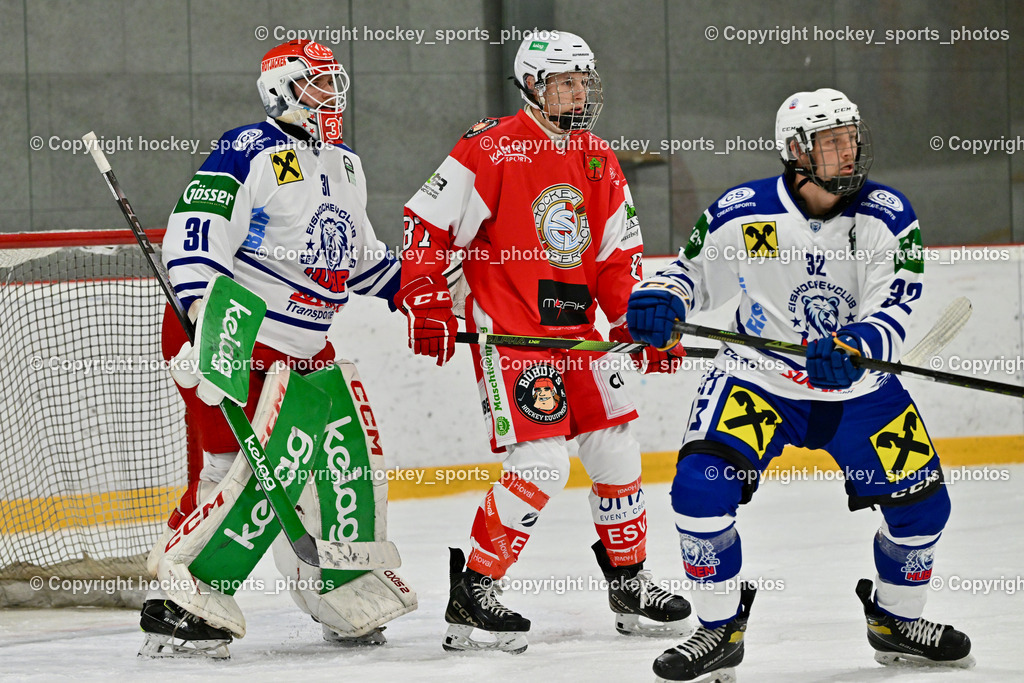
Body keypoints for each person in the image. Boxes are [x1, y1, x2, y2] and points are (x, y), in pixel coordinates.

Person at [627, 88, 973, 681]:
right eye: (832, 141)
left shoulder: (889, 214)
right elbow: (691, 273)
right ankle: (719, 628)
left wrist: (859, 347)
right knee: (700, 492)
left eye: (851, 137)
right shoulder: (743, 210)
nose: (849, 151)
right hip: (756, 383)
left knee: (924, 510)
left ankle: (896, 620)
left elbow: (894, 302)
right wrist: (663, 297)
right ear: (796, 152)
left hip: (858, 393)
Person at [398, 30, 691, 654]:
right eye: (566, 81)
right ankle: (475, 589)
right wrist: (423, 296)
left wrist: (637, 321)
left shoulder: (597, 156)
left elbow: (616, 256)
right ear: (532, 85)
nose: (579, 92)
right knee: (542, 463)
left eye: (585, 80)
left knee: (617, 450)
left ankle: (630, 582)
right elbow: (425, 224)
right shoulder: (489, 147)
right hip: (513, 336)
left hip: (582, 337)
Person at [139, 39, 414, 658]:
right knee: (230, 473)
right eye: (317, 85)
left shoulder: (346, 165)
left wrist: (416, 291)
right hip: (235, 330)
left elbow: (360, 260)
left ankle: (339, 589)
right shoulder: (249, 149)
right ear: (281, 92)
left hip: (306, 344)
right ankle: (181, 602)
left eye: (333, 84)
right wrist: (209, 325)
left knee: (334, 464)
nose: (332, 97)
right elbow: (195, 238)